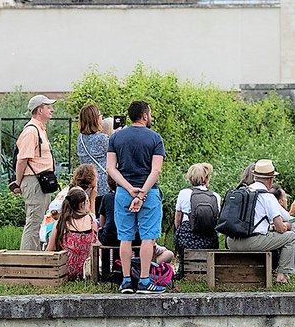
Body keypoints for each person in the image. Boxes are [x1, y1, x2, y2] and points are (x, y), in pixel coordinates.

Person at [106, 100, 167, 293]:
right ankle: (144, 280)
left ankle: (125, 281)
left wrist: (128, 188)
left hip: (124, 193)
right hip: (149, 193)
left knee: (125, 237)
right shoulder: (155, 138)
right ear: (145, 115)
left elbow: (110, 168)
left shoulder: (116, 138)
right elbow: (155, 170)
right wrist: (142, 194)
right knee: (148, 238)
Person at [225, 159, 295, 284]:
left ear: (255, 176)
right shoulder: (267, 196)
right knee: (290, 237)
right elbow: (281, 228)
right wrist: (286, 225)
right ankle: (282, 275)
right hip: (251, 243)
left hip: (231, 242)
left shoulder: (242, 191)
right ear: (271, 179)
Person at [11, 94, 58, 251]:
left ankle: (35, 259)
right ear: (39, 110)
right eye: (48, 106)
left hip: (41, 182)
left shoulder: (39, 129)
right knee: (33, 223)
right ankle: (26, 261)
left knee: (39, 222)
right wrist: (17, 182)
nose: (51, 109)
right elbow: (22, 159)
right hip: (34, 181)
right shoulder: (31, 131)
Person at [45, 186, 98, 280]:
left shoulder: (62, 222)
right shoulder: (91, 220)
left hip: (64, 271)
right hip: (86, 272)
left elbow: (50, 249)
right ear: (82, 204)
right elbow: (97, 244)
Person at [40, 163, 98, 247]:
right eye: (96, 176)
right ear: (90, 178)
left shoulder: (70, 189)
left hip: (47, 227)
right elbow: (92, 219)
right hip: (57, 231)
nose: (97, 179)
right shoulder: (80, 196)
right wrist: (93, 199)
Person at [173, 163, 222, 261]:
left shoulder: (183, 193)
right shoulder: (215, 196)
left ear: (190, 178)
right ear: (206, 179)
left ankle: (183, 265)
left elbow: (177, 220)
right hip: (209, 242)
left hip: (186, 240)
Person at [76, 104, 114, 200]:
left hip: (86, 181)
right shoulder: (102, 138)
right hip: (102, 183)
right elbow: (114, 155)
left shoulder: (80, 138)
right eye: (100, 115)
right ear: (95, 119)